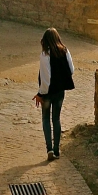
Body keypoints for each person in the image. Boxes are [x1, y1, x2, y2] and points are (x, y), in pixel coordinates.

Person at [33, 28, 75, 161]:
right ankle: (57, 150)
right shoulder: (65, 51)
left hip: (48, 93)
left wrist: (41, 93)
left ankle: (49, 148)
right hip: (60, 91)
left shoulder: (45, 54)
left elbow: (46, 78)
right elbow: (71, 70)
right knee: (56, 119)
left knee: (46, 119)